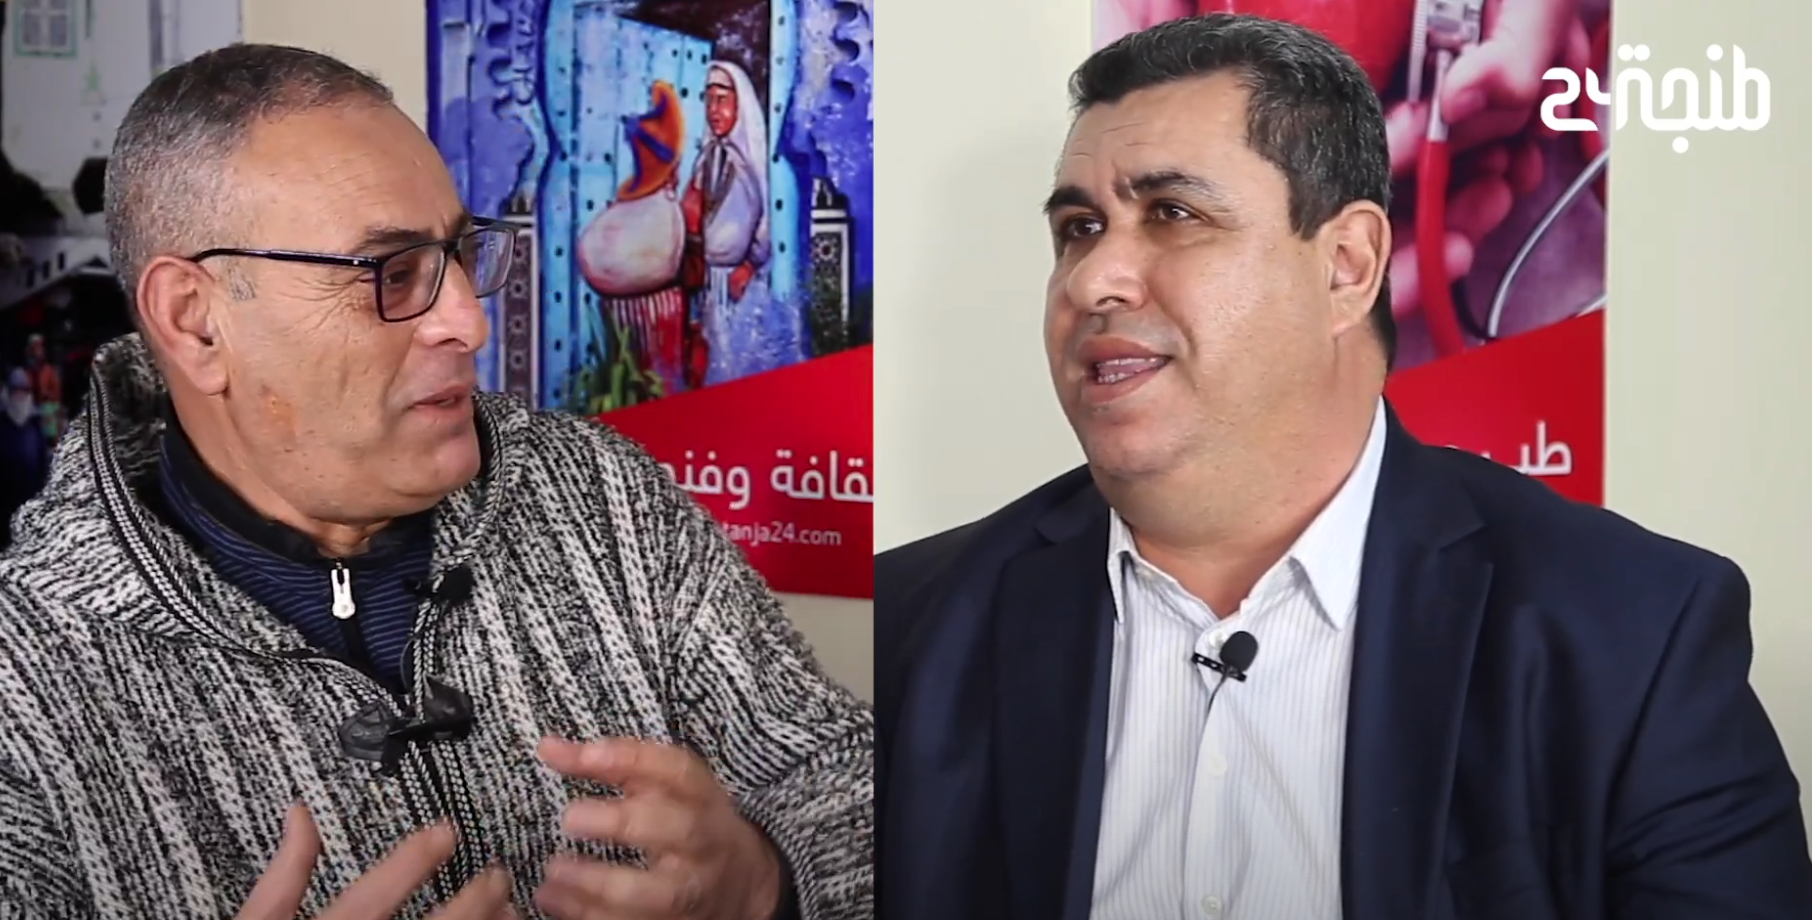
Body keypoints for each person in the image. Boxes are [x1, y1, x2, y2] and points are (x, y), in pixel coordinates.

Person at [874, 14, 1810, 920]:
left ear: (1347, 266)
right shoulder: (917, 625)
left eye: (1172, 214)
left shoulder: (1631, 635)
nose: (1091, 281)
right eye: (1079, 228)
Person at [0, 44, 871, 920]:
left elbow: (848, 784)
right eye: (391, 271)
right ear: (196, 323)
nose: (467, 320)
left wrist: (768, 885)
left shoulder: (603, 495)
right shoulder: (24, 683)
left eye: (457, 254)